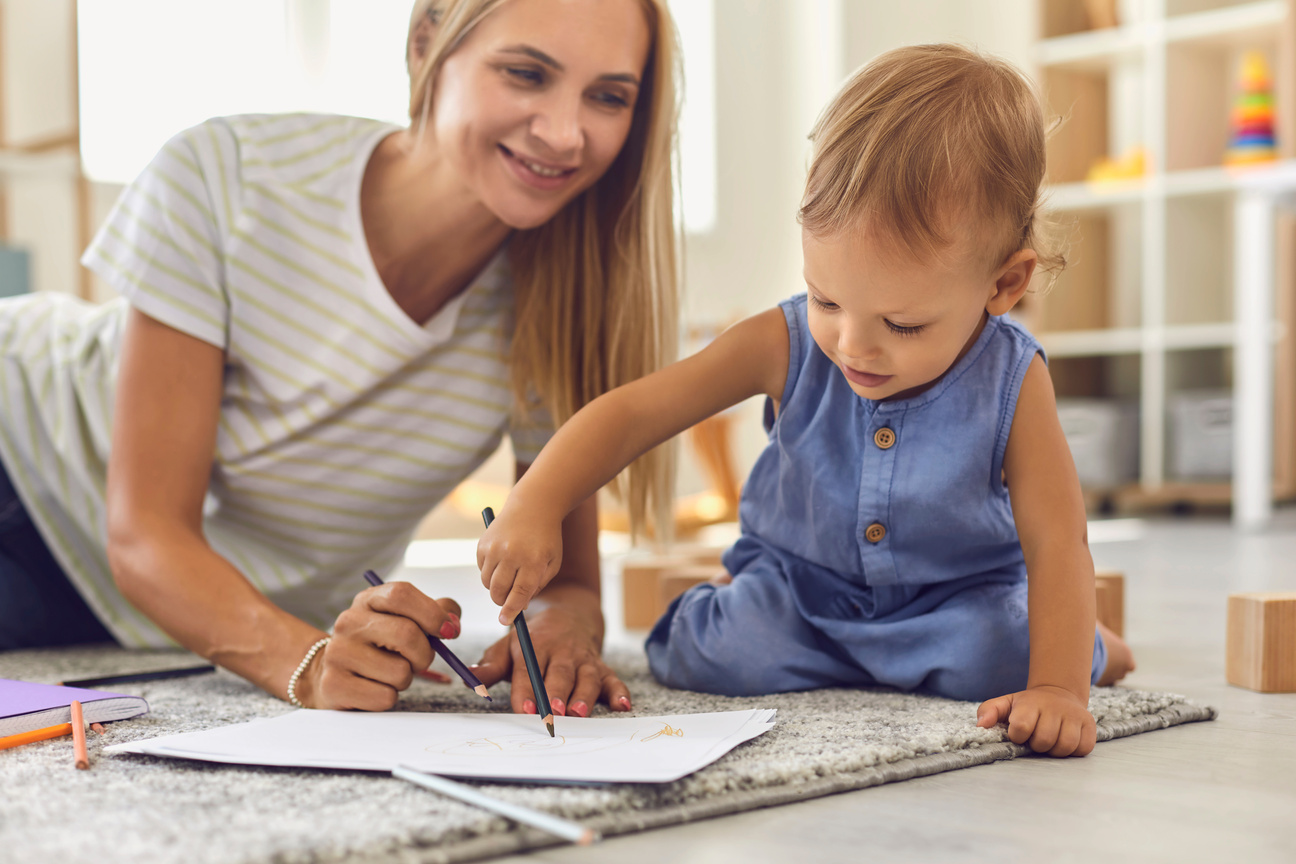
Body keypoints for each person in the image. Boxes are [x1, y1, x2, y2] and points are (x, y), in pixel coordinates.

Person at [0, 0, 681, 718]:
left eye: (608, 96)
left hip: (158, 617)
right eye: (524, 73)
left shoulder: (561, 290)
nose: (564, 132)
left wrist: (563, 629)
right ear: (426, 46)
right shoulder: (225, 176)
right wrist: (309, 663)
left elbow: (566, 580)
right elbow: (145, 535)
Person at [476, 44, 1137, 758]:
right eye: (827, 299)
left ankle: (1095, 648)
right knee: (707, 656)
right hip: (802, 597)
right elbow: (635, 412)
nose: (852, 345)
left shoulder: (1014, 376)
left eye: (903, 323)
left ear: (1004, 286)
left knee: (1008, 650)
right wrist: (535, 502)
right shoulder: (785, 340)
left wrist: (1061, 690)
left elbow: (1056, 542)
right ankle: (744, 587)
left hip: (952, 605)